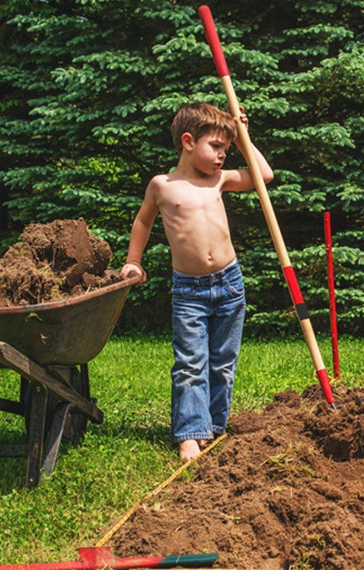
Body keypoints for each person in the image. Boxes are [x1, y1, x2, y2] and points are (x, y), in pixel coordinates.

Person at [122, 102, 273, 461]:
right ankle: (191, 432)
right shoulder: (163, 185)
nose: (221, 156)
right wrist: (133, 262)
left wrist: (242, 137)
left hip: (229, 284)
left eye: (225, 148)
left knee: (222, 360)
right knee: (190, 362)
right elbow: (143, 222)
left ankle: (215, 427)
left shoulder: (220, 179)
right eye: (215, 147)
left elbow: (263, 175)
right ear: (188, 142)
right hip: (189, 290)